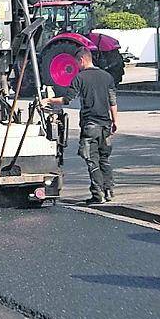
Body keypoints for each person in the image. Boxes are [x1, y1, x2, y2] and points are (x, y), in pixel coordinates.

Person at [40, 48, 118, 203]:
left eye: (77, 62)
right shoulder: (107, 77)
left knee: (92, 160)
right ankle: (109, 191)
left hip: (90, 125)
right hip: (105, 125)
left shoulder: (80, 78)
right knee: (104, 159)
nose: (76, 65)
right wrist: (115, 121)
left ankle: (98, 195)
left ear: (82, 59)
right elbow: (113, 101)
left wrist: (48, 101)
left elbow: (67, 99)